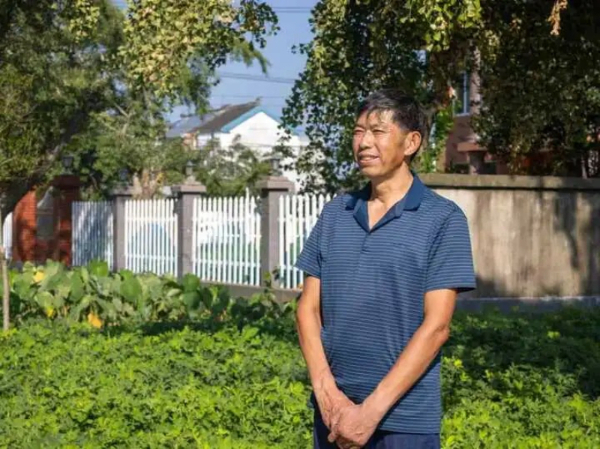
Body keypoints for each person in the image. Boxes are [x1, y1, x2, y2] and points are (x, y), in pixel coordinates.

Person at [295, 89, 476, 449]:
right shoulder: (335, 214)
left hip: (404, 422)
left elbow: (436, 327)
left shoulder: (443, 219)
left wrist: (369, 413)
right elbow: (307, 310)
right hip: (333, 415)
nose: (363, 143)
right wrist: (327, 393)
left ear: (411, 143)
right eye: (358, 132)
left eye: (378, 132)